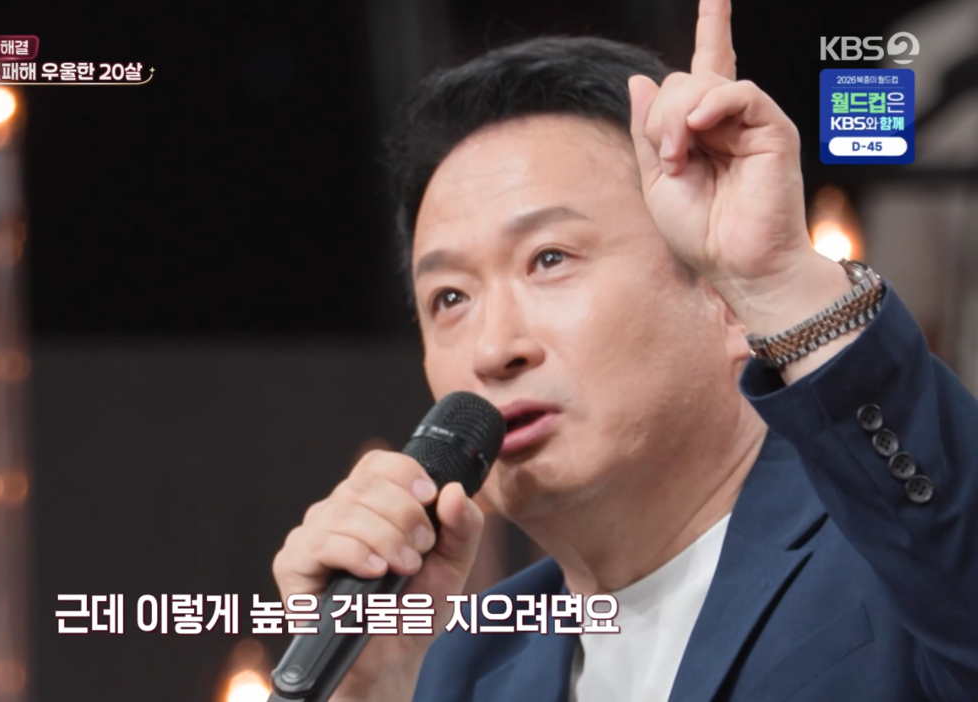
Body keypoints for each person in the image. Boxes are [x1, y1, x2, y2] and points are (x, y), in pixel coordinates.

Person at [270, 0, 978, 699]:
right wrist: (371, 690)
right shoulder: (467, 668)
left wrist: (781, 282)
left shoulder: (901, 565)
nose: (493, 350)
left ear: (725, 296)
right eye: (450, 297)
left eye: (549, 258)